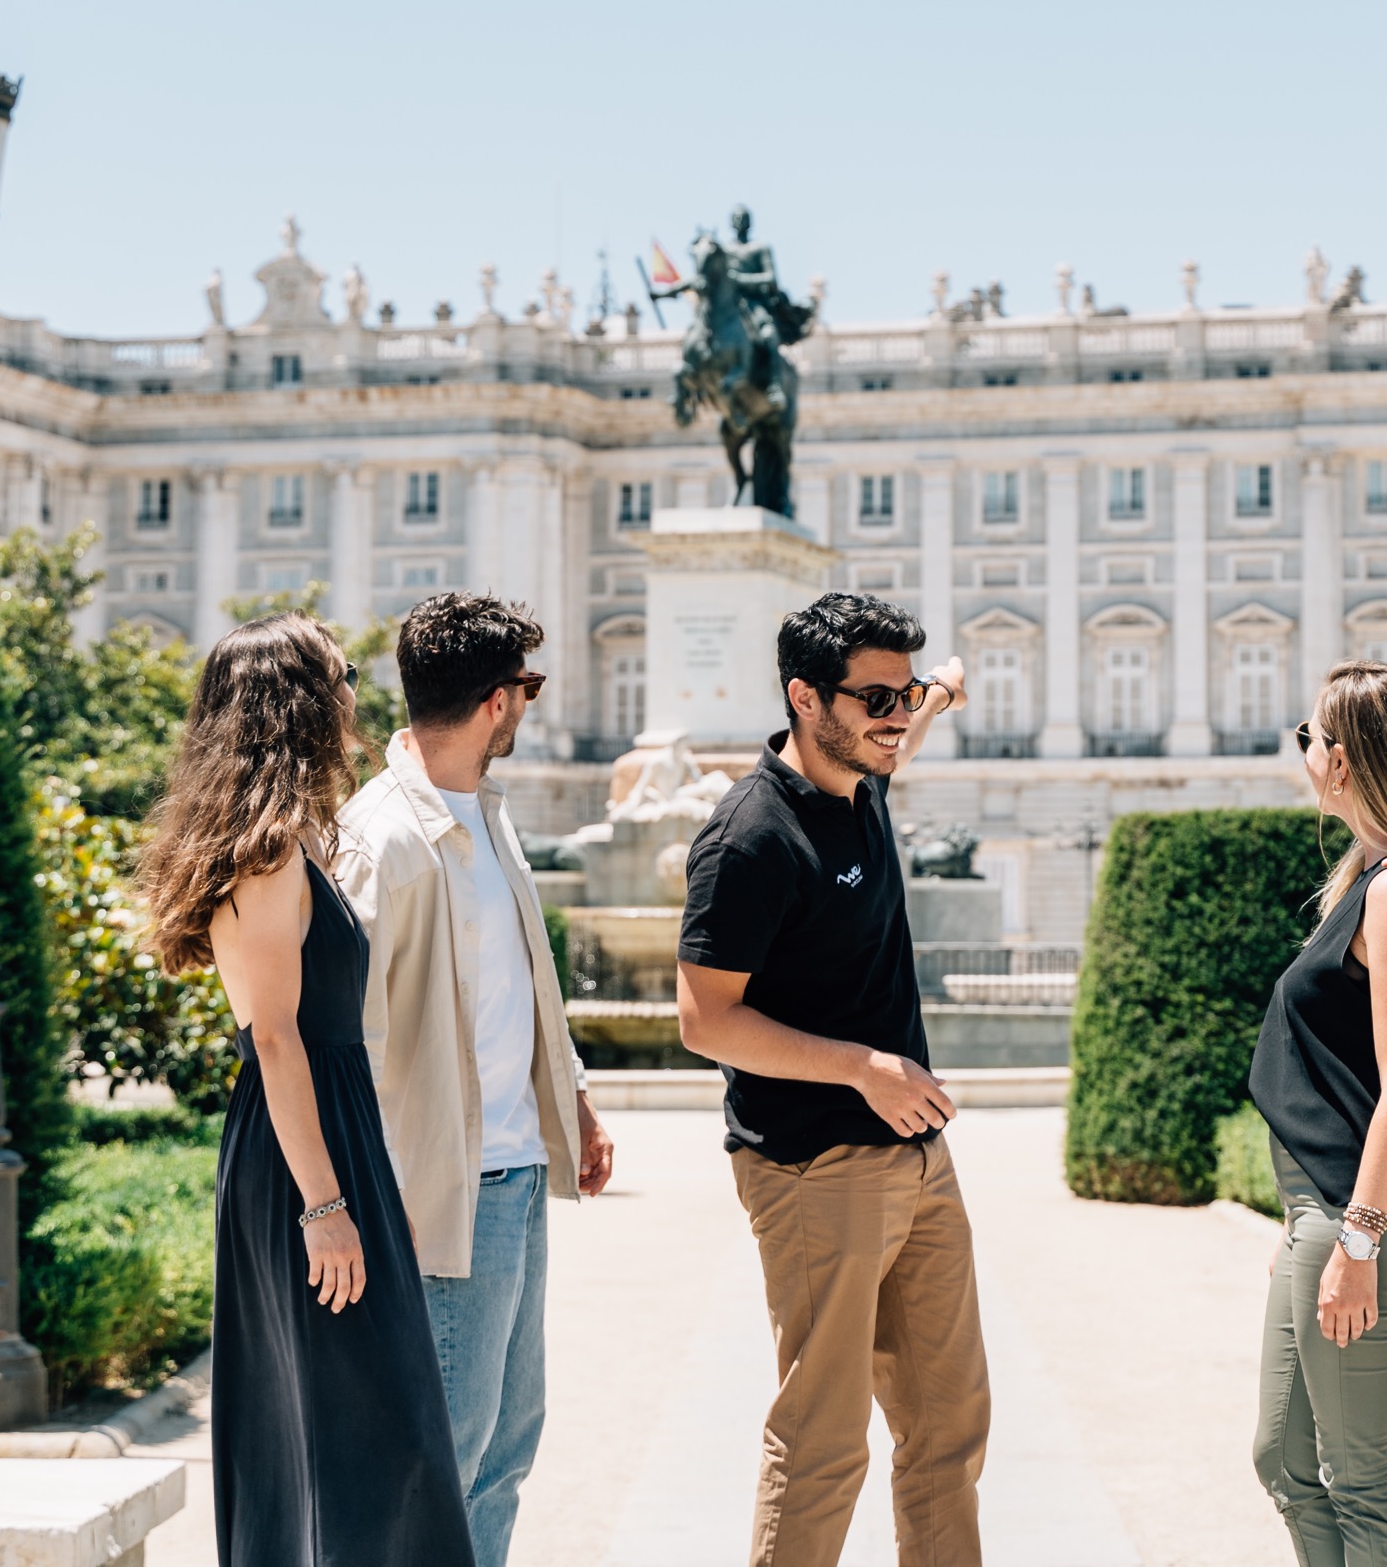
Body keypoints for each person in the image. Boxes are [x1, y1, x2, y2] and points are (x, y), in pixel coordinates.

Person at [132, 611, 475, 1567]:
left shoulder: (290, 841)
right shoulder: (270, 853)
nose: (353, 692)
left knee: (359, 1418)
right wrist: (327, 1204)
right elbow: (277, 1041)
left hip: (325, 1139)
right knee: (362, 1426)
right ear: (298, 701)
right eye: (340, 674)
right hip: (300, 1156)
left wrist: (365, 1187)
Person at [673, 592, 980, 1567]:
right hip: (813, 1164)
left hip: (917, 1157)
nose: (896, 715)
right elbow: (704, 1017)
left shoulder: (866, 778)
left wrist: (938, 697)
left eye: (906, 692)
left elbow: (905, 728)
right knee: (823, 1438)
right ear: (807, 698)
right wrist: (862, 1068)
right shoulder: (750, 837)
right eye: (876, 697)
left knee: (948, 1424)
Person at [332, 592, 616, 1567]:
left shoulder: (485, 817)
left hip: (515, 1168)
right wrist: (382, 1188)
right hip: (446, 1189)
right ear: (501, 701)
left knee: (506, 1440)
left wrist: (570, 1096)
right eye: (527, 688)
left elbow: (525, 980)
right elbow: (349, 1037)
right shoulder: (384, 836)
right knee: (445, 1453)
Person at [1247, 661, 1387, 1567]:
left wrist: (1359, 1239)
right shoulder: (1372, 877)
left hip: (1358, 1221)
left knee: (1360, 1478)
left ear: (1341, 762)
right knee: (1286, 1461)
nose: (1300, 752)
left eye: (1308, 737)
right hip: (1324, 1214)